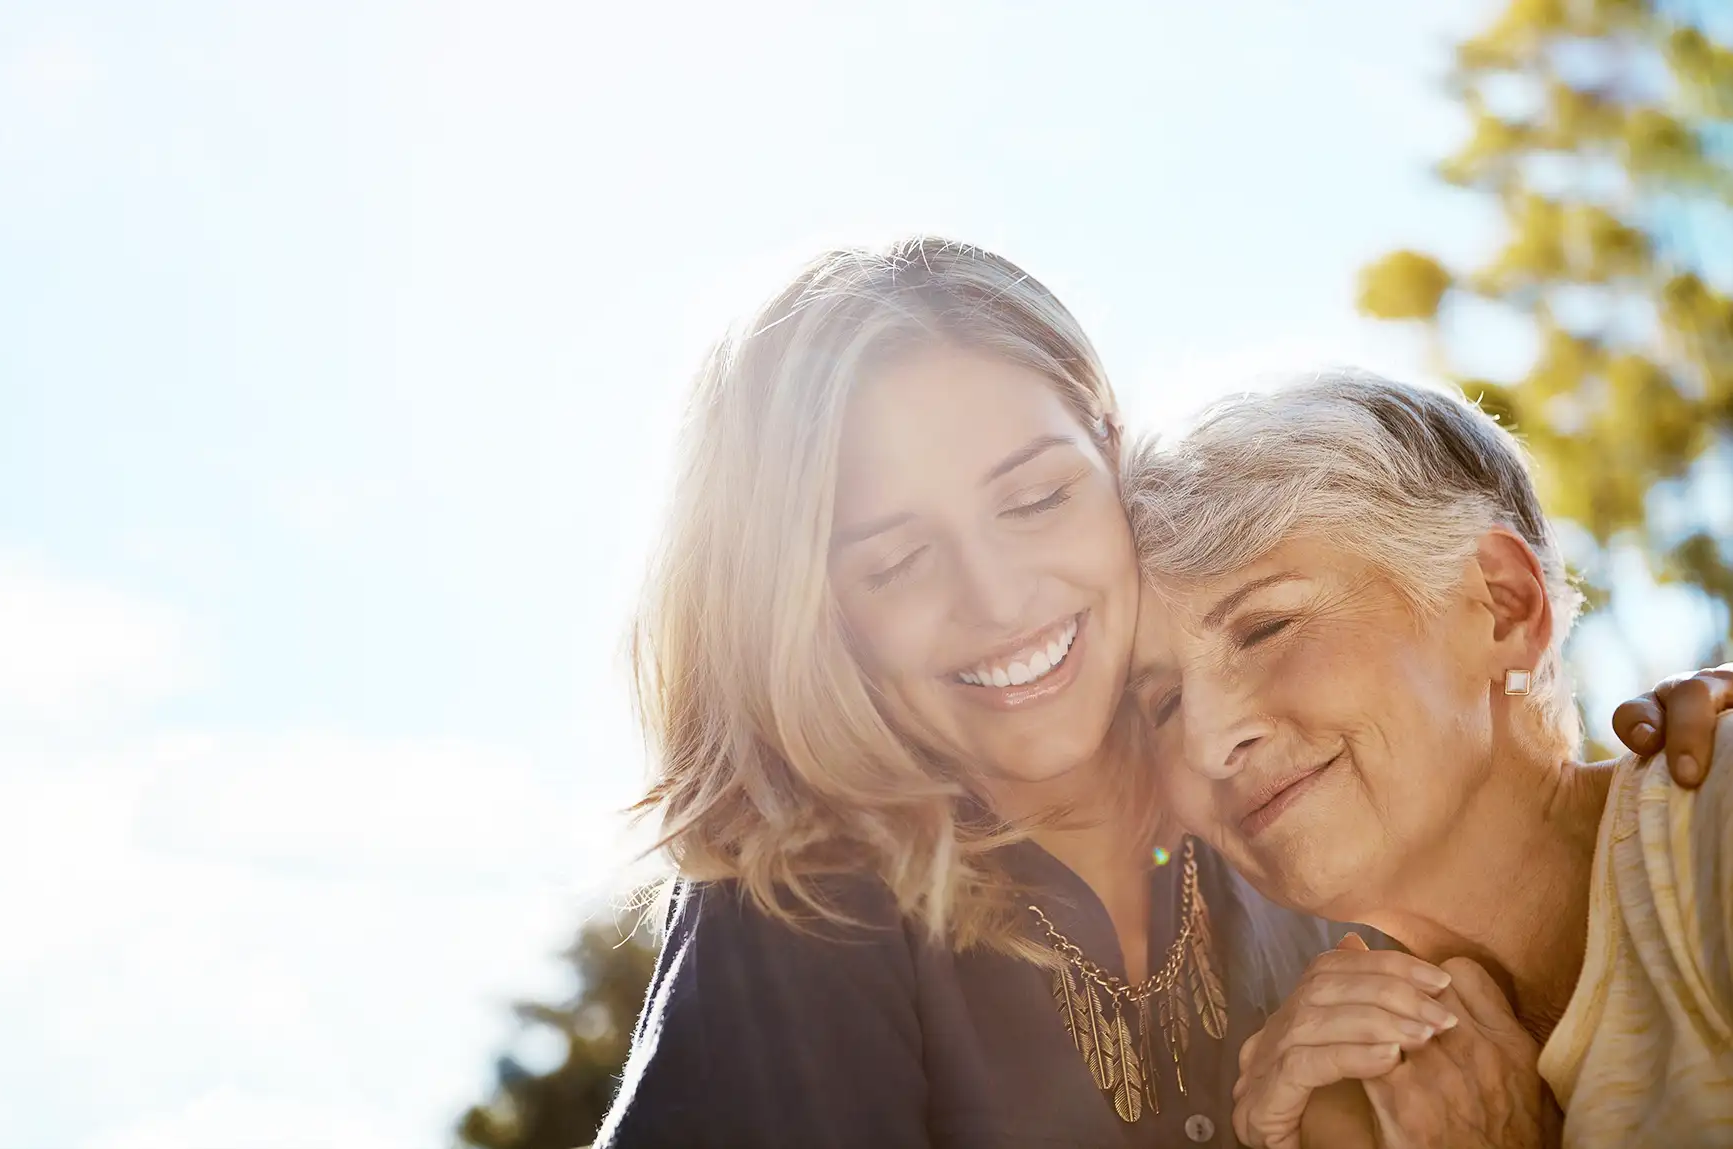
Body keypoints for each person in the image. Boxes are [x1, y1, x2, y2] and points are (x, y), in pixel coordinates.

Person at [597, 239, 1726, 1149]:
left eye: (1036, 497)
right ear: (813, 612)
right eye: (893, 562)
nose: (997, 600)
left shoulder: (1334, 872)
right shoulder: (805, 907)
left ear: (1105, 456)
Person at [1124, 368, 1733, 1147]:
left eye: (1265, 628)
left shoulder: (1709, 823)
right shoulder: (1348, 1101)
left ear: (1501, 603)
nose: (1208, 742)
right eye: (1163, 705)